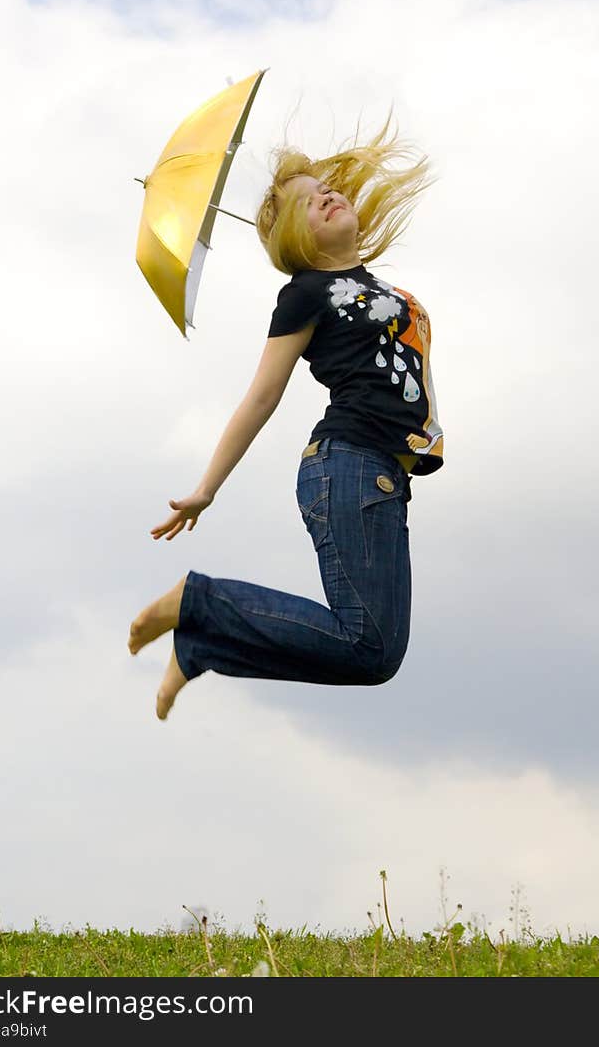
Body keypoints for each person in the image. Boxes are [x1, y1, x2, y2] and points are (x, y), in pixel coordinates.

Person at [128, 114, 444, 719]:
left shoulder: (370, 285)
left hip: (386, 479)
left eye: (326, 189)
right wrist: (205, 490)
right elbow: (261, 396)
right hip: (349, 466)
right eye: (306, 204)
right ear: (294, 241)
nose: (326, 195)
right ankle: (199, 602)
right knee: (368, 643)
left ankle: (199, 643)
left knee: (375, 656)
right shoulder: (304, 293)